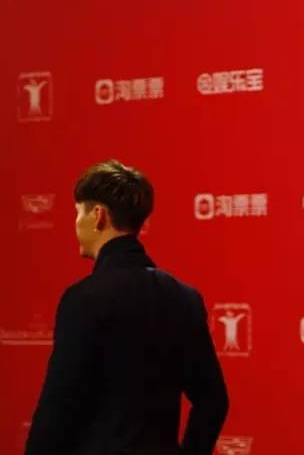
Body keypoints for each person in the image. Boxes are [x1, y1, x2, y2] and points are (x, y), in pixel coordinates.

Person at [25, 160, 229, 455]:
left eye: (78, 212)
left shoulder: (83, 298)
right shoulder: (185, 297)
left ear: (98, 216)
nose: (76, 223)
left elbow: (57, 410)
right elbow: (213, 399)